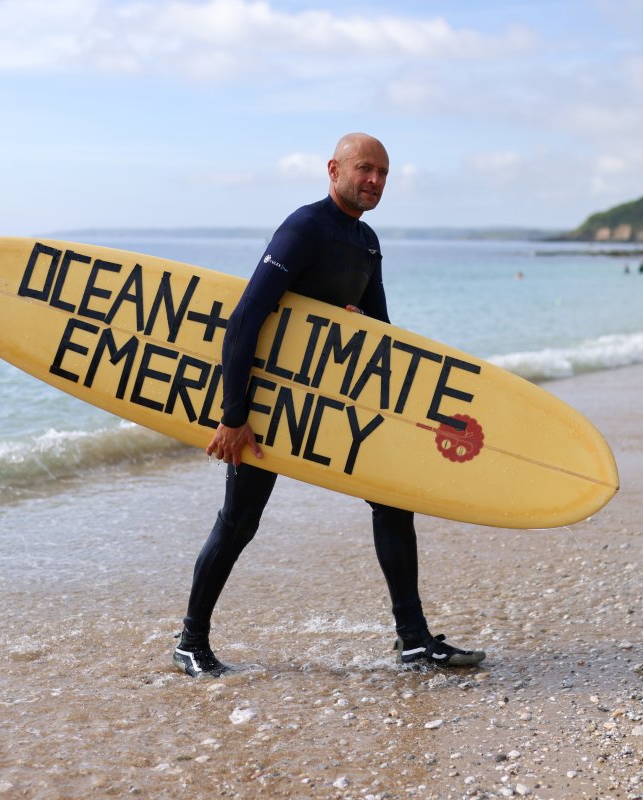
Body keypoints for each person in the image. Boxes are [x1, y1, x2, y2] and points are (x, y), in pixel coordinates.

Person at [172, 133, 485, 677]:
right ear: (333, 169)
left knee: (392, 502)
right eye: (366, 169)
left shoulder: (366, 242)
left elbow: (381, 333)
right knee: (240, 521)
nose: (375, 181)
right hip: (269, 404)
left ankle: (413, 641)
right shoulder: (303, 228)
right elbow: (246, 318)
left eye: (384, 174)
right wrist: (233, 414)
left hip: (333, 407)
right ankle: (189, 642)